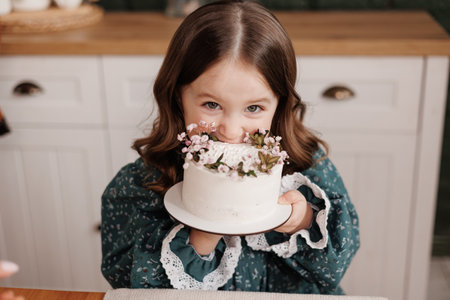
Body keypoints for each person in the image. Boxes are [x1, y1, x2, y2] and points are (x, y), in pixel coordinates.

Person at [101, 0, 359, 294]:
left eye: (253, 107)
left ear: (279, 104)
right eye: (211, 104)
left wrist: (302, 220)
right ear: (177, 98)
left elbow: (336, 269)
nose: (231, 132)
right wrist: (202, 235)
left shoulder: (309, 167)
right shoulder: (141, 183)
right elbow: (129, 285)